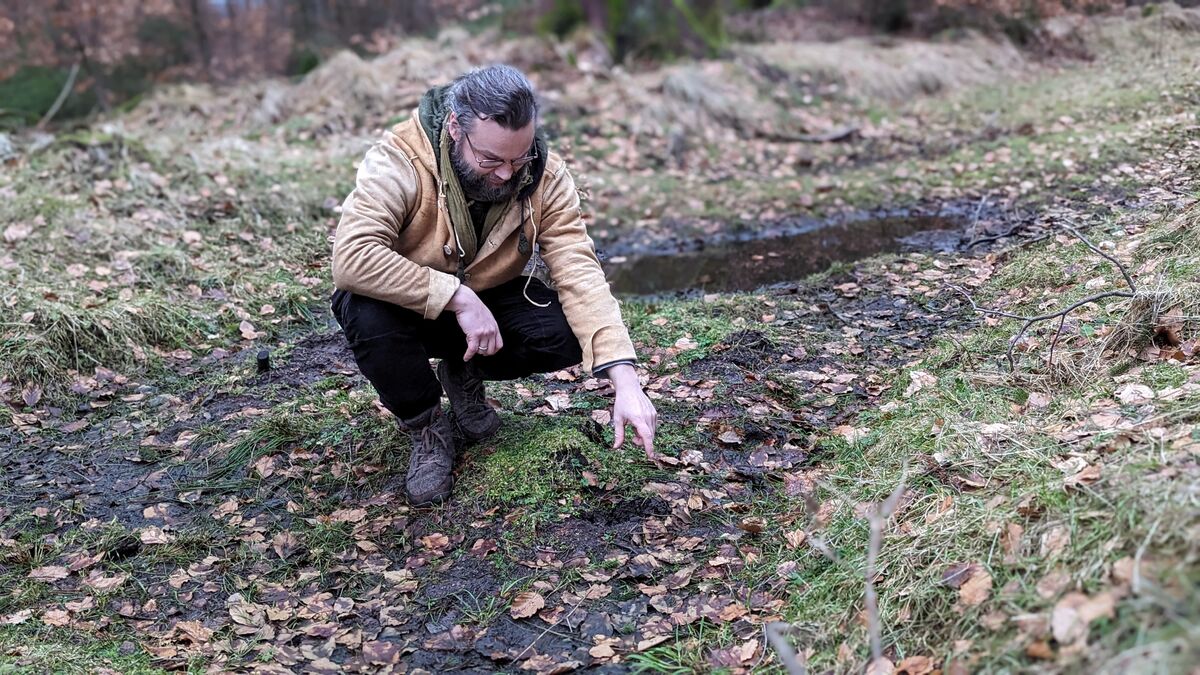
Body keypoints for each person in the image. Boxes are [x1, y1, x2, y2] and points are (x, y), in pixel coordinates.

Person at [330, 64, 658, 506]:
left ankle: (462, 370)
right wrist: (454, 295)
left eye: (516, 159)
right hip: (408, 306)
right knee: (361, 308)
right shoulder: (399, 159)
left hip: (491, 299)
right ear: (453, 128)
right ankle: (426, 424)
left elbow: (578, 268)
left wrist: (625, 378)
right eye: (489, 160)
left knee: (562, 332)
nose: (505, 174)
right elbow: (352, 257)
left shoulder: (545, 175)